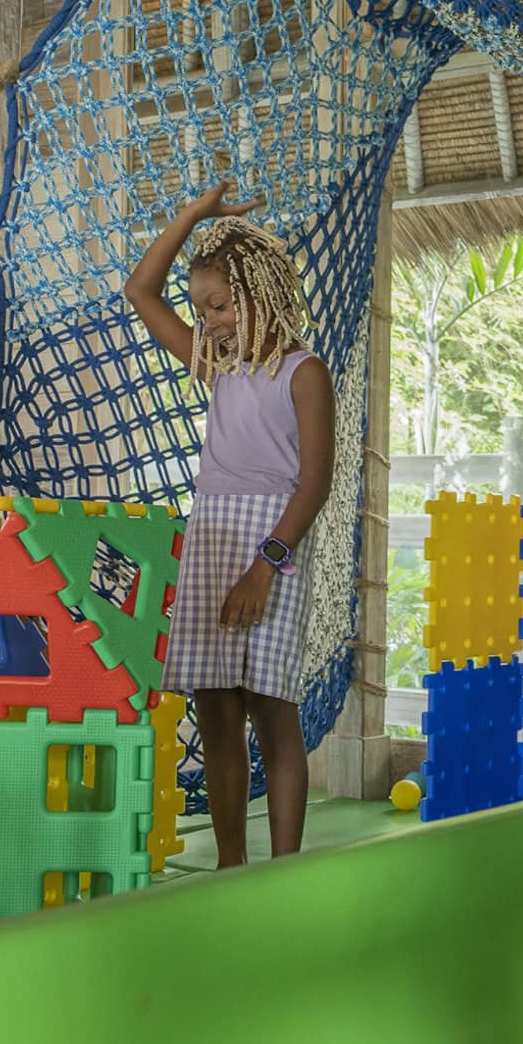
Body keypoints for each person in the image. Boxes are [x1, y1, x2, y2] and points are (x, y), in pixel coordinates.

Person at [124, 184, 336, 868]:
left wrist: (264, 566)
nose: (208, 321)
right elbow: (140, 291)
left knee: (271, 707)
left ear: (260, 292)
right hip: (212, 536)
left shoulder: (304, 373)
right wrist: (192, 217)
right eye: (201, 309)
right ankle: (230, 866)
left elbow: (315, 482)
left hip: (271, 545)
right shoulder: (217, 367)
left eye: (219, 305)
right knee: (215, 709)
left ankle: (284, 870)